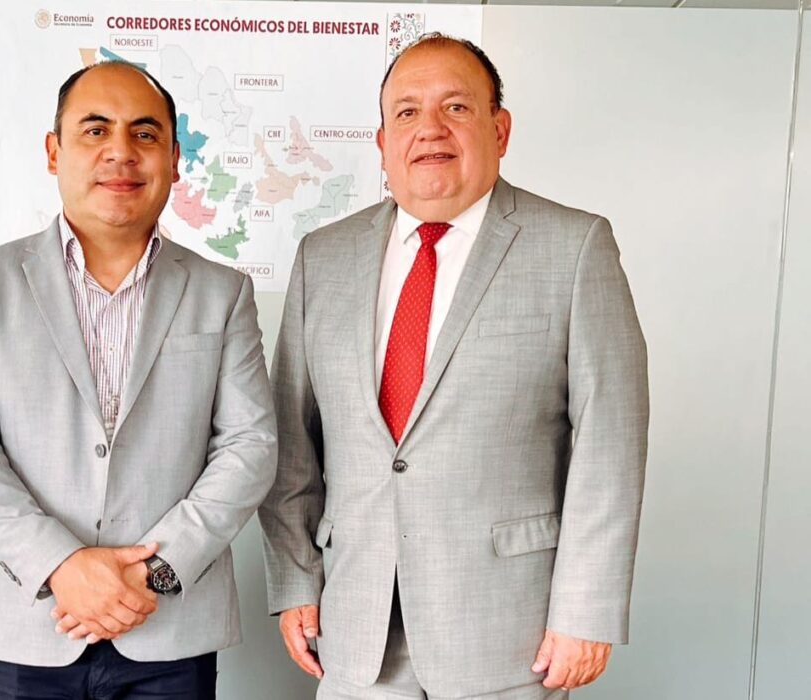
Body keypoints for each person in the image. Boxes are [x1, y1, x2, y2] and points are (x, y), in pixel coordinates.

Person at [259, 33, 649, 699]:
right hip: (353, 628)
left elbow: (610, 443)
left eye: (456, 107)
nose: (429, 129)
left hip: (509, 635)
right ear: (383, 142)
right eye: (407, 112)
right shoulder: (323, 256)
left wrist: (586, 610)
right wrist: (295, 579)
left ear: (499, 129)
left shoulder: (574, 247)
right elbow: (291, 441)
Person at [0, 60, 277, 699]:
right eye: (95, 130)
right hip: (23, 625)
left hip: (169, 626)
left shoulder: (223, 292)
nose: (121, 151)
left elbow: (249, 446)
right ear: (53, 152)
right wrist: (60, 565)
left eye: (145, 133)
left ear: (174, 159)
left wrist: (155, 572)